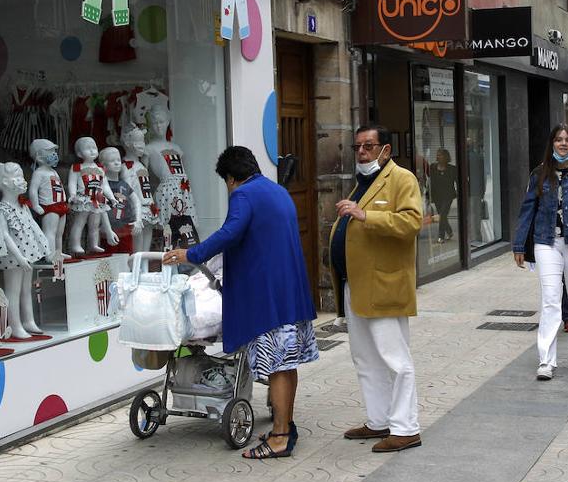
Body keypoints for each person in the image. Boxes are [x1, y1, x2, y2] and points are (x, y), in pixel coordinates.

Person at [162, 146, 317, 459]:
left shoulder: (244, 195)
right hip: (291, 293)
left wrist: (191, 254)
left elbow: (230, 233)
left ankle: (280, 437)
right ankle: (284, 426)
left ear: (231, 179)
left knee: (277, 367)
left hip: (268, 298)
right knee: (287, 364)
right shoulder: (276, 191)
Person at [330, 125, 424, 453]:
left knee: (395, 359)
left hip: (384, 284)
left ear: (385, 149)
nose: (362, 152)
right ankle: (379, 419)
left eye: (368, 146)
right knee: (365, 358)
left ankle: (406, 427)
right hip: (355, 284)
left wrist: (365, 214)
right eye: (357, 147)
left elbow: (411, 222)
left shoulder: (402, 178)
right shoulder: (363, 183)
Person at [512, 124, 568, 380]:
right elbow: (527, 210)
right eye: (559, 140)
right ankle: (546, 360)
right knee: (551, 299)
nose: (563, 144)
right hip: (546, 242)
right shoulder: (539, 174)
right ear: (552, 143)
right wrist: (519, 244)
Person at [428, 149, 458, 244]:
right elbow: (429, 181)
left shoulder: (452, 169)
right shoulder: (432, 167)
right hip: (437, 196)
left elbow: (457, 182)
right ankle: (449, 232)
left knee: (443, 214)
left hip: (448, 195)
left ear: (446, 157)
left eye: (440, 155)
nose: (438, 157)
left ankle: (441, 236)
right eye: (437, 155)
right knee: (442, 215)